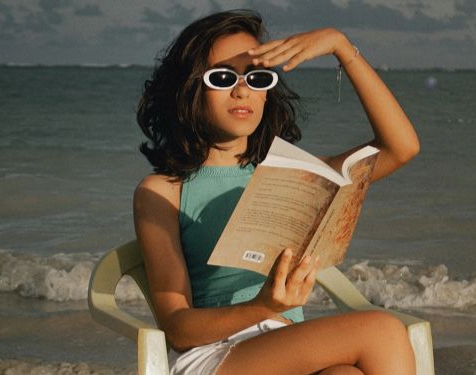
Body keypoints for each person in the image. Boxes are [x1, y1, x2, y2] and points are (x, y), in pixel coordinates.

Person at [134, 9, 420, 375]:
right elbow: (177, 327)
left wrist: (340, 46)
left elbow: (402, 147)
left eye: (256, 78)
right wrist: (263, 305)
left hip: (284, 345)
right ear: (190, 90)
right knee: (382, 330)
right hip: (215, 355)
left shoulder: (294, 175)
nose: (242, 90)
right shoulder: (162, 190)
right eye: (222, 78)